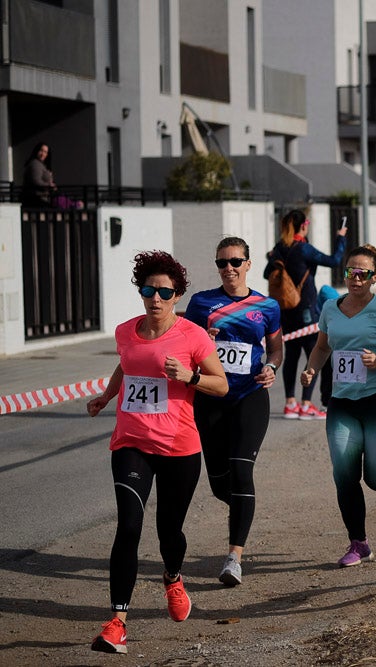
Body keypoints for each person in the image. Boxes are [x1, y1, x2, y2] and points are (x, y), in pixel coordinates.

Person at [86, 251, 228, 654]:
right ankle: (117, 623)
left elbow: (221, 386)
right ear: (141, 292)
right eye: (149, 290)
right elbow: (128, 366)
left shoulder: (193, 336)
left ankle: (172, 576)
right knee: (128, 526)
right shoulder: (125, 331)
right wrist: (106, 396)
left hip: (179, 449)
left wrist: (191, 376)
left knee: (170, 531)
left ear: (177, 295)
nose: (156, 298)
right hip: (131, 443)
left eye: (165, 292)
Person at [300, 244, 376, 567]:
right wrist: (312, 369)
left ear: (374, 277)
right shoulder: (331, 310)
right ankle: (358, 543)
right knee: (344, 474)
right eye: (350, 271)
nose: (355, 277)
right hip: (342, 404)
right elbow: (322, 347)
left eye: (363, 273)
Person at [184, 237, 283, 587]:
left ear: (248, 264)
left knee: (242, 471)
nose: (229, 268)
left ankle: (233, 558)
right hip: (211, 399)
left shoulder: (267, 305)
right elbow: (185, 351)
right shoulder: (201, 303)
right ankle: (245, 505)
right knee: (219, 484)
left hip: (250, 396)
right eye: (222, 262)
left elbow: (276, 348)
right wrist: (202, 345)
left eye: (236, 261)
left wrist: (272, 367)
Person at [264, 209, 347, 420]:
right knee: (315, 355)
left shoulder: (279, 248)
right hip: (306, 310)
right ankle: (306, 404)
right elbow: (335, 260)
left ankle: (290, 403)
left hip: (285, 310)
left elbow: (267, 273)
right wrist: (341, 237)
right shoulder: (304, 249)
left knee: (291, 354)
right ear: (303, 225)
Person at [21, 142, 56, 207]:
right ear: (37, 151)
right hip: (36, 199)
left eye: (45, 152)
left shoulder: (42, 165)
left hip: (43, 198)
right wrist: (49, 186)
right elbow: (36, 181)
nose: (43, 154)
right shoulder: (35, 164)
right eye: (41, 150)